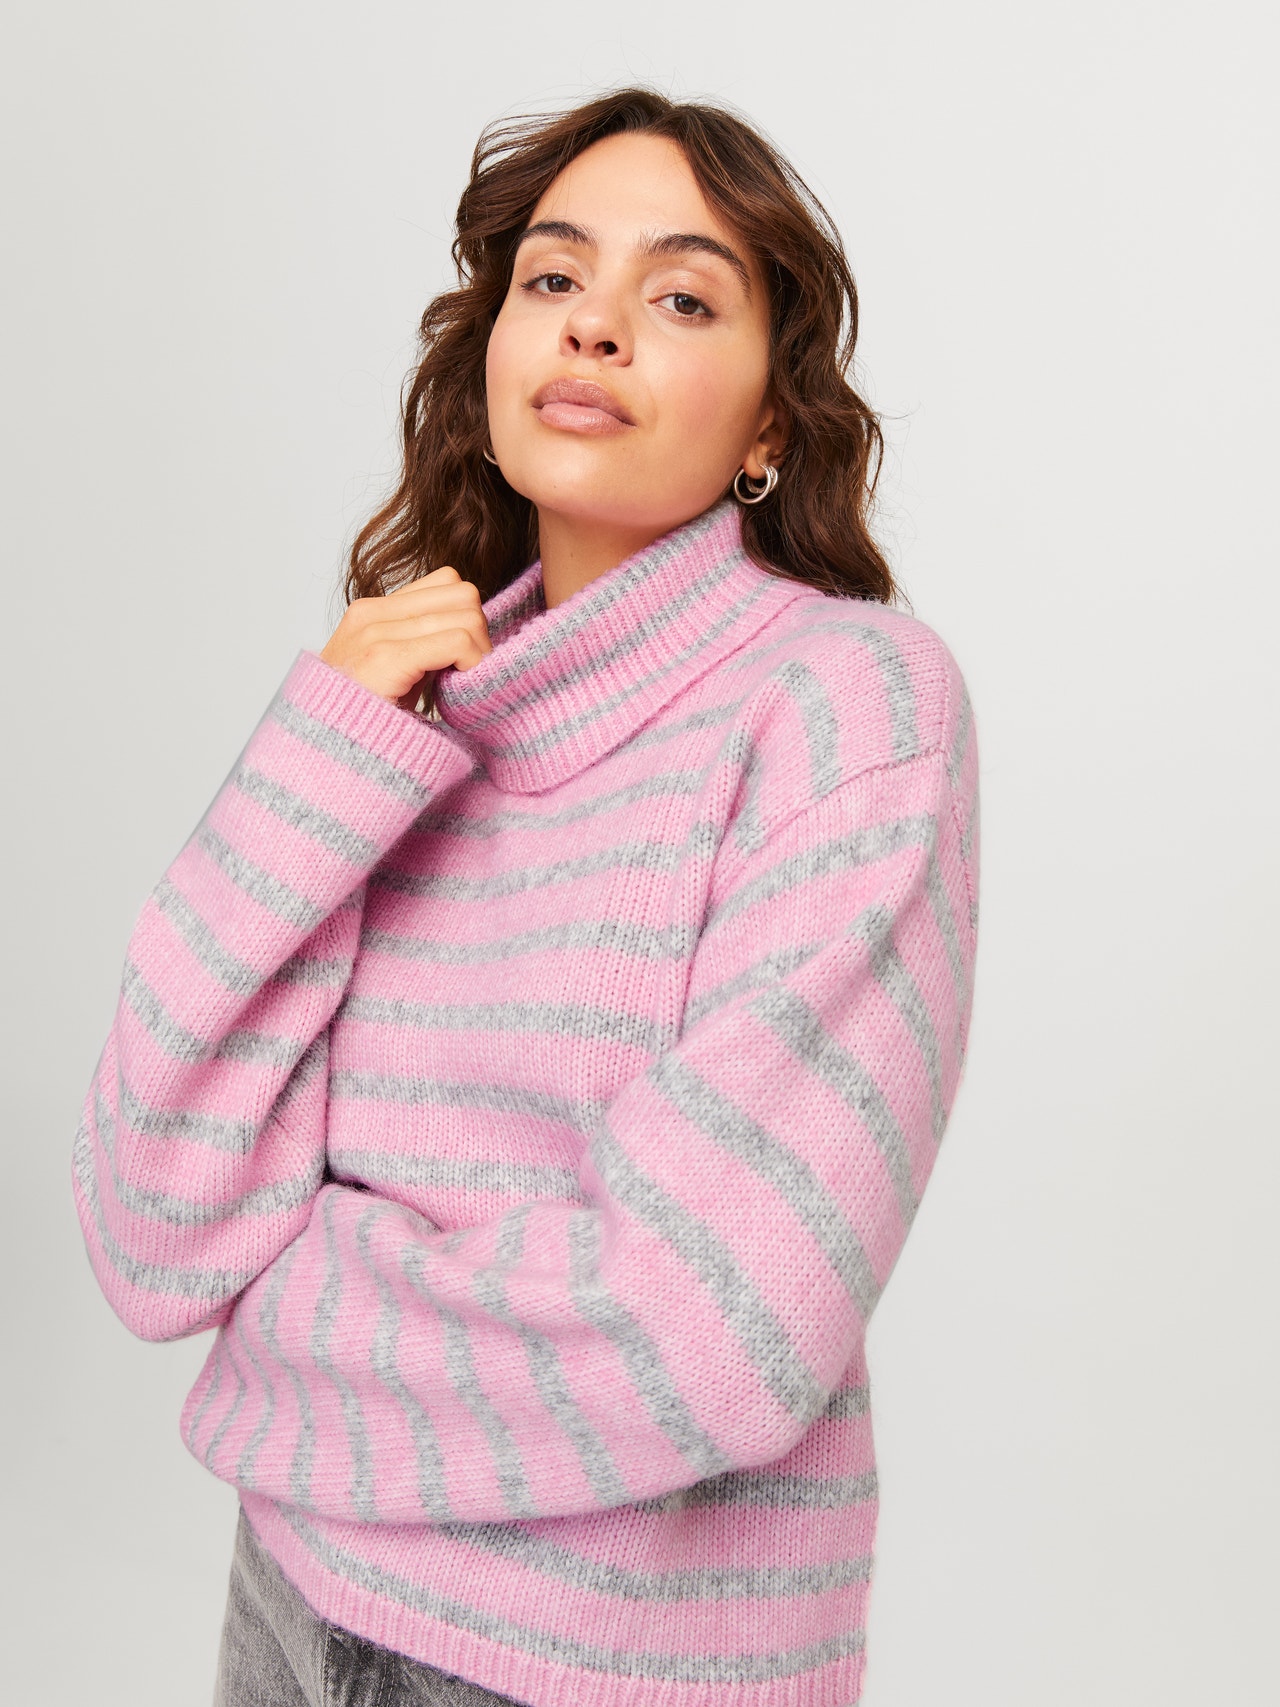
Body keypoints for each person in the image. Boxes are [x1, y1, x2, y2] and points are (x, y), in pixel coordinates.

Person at [71, 86, 980, 1707]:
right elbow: (154, 1228)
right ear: (490, 349)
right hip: (286, 1594)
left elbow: (710, 1329)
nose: (596, 324)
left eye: (681, 298)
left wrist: (287, 1310)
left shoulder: (849, 705)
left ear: (771, 429)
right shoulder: (401, 719)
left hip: (587, 1670)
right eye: (553, 277)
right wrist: (317, 748)